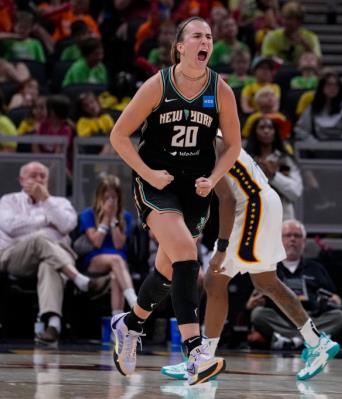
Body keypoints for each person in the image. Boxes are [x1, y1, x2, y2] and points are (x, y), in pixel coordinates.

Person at [108, 16, 241, 385]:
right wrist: (147, 174)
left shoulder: (221, 90)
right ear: (180, 46)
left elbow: (233, 146)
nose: (206, 41)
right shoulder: (158, 84)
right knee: (186, 253)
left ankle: (131, 324)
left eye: (210, 37)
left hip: (195, 187)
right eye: (197, 35)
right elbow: (119, 135)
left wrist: (214, 178)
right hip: (157, 181)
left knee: (168, 268)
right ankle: (195, 352)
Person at [160, 139, 340, 382]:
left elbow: (227, 199)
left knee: (215, 279)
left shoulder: (205, 141)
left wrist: (222, 248)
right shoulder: (213, 132)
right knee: (266, 282)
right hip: (263, 201)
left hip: (251, 206)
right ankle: (316, 341)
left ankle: (204, 359)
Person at [0, 161, 111, 345]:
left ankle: (53, 325)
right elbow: (10, 227)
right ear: (21, 180)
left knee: (49, 263)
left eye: (42, 176)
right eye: (33, 175)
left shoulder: (60, 203)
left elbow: (67, 224)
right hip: (15, 256)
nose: (39, 180)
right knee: (40, 239)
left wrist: (46, 201)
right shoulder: (8, 200)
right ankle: (81, 281)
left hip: (56, 257)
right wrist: (46, 221)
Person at [247, 219, 342, 349]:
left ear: (304, 242)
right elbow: (252, 303)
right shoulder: (268, 268)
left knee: (340, 317)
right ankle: (309, 340)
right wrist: (250, 305)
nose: (293, 239)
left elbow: (333, 296)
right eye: (288, 235)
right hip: (281, 319)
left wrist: (336, 300)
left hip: (312, 319)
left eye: (297, 236)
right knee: (258, 314)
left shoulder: (316, 268)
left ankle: (291, 341)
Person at [77, 175, 137, 316]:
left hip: (119, 262)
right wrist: (105, 218)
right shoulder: (88, 214)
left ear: (119, 198)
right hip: (95, 259)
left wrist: (114, 220)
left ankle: (117, 323)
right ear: (99, 197)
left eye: (114, 198)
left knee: (116, 274)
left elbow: (118, 245)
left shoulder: (126, 217)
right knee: (116, 260)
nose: (110, 201)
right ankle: (134, 301)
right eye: (106, 197)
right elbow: (96, 242)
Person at [244, 116, 301, 220]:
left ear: (275, 132)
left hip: (282, 218)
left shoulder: (285, 160)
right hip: (252, 216)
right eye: (262, 127)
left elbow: (295, 192)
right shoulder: (246, 160)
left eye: (270, 127)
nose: (266, 131)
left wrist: (274, 176)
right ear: (254, 132)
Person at [294, 69, 342, 141]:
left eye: (336, 85)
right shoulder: (313, 106)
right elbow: (301, 129)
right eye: (329, 84)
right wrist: (314, 144)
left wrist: (340, 145)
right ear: (322, 87)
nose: (333, 88)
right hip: (318, 147)